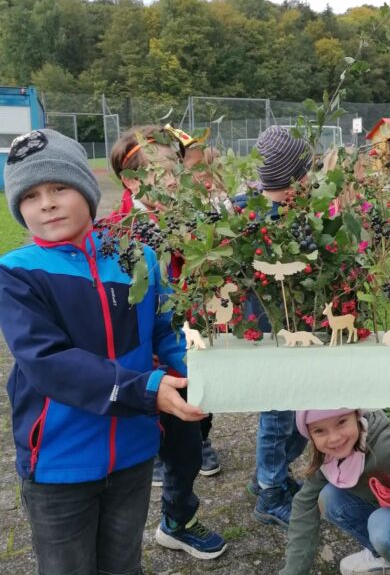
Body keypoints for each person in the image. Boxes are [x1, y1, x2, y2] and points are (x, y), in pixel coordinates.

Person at [0, 129, 208, 574]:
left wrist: (203, 375)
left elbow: (164, 330)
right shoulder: (17, 274)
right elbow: (49, 363)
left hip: (133, 452)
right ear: (18, 207)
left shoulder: (138, 256)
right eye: (31, 195)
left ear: (88, 192)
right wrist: (148, 390)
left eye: (60, 187)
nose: (48, 203)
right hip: (59, 462)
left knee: (123, 563)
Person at [109, 126, 226, 559]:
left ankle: (176, 521)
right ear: (132, 182)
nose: (175, 181)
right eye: (161, 174)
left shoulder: (183, 217)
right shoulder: (121, 233)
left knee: (187, 445)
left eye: (175, 170)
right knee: (147, 455)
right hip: (148, 365)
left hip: (185, 351)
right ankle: (118, 545)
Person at [279, 409, 390, 575]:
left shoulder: (389, 445)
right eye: (319, 431)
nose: (334, 438)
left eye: (341, 422)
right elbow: (304, 505)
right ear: (309, 435)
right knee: (329, 497)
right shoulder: (329, 461)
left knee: (383, 527)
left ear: (357, 416)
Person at [241, 126, 312, 527]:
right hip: (269, 331)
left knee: (298, 408)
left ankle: (269, 474)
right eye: (305, 177)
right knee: (278, 413)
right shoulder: (257, 220)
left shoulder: (293, 214)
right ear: (293, 178)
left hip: (295, 327)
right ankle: (270, 492)